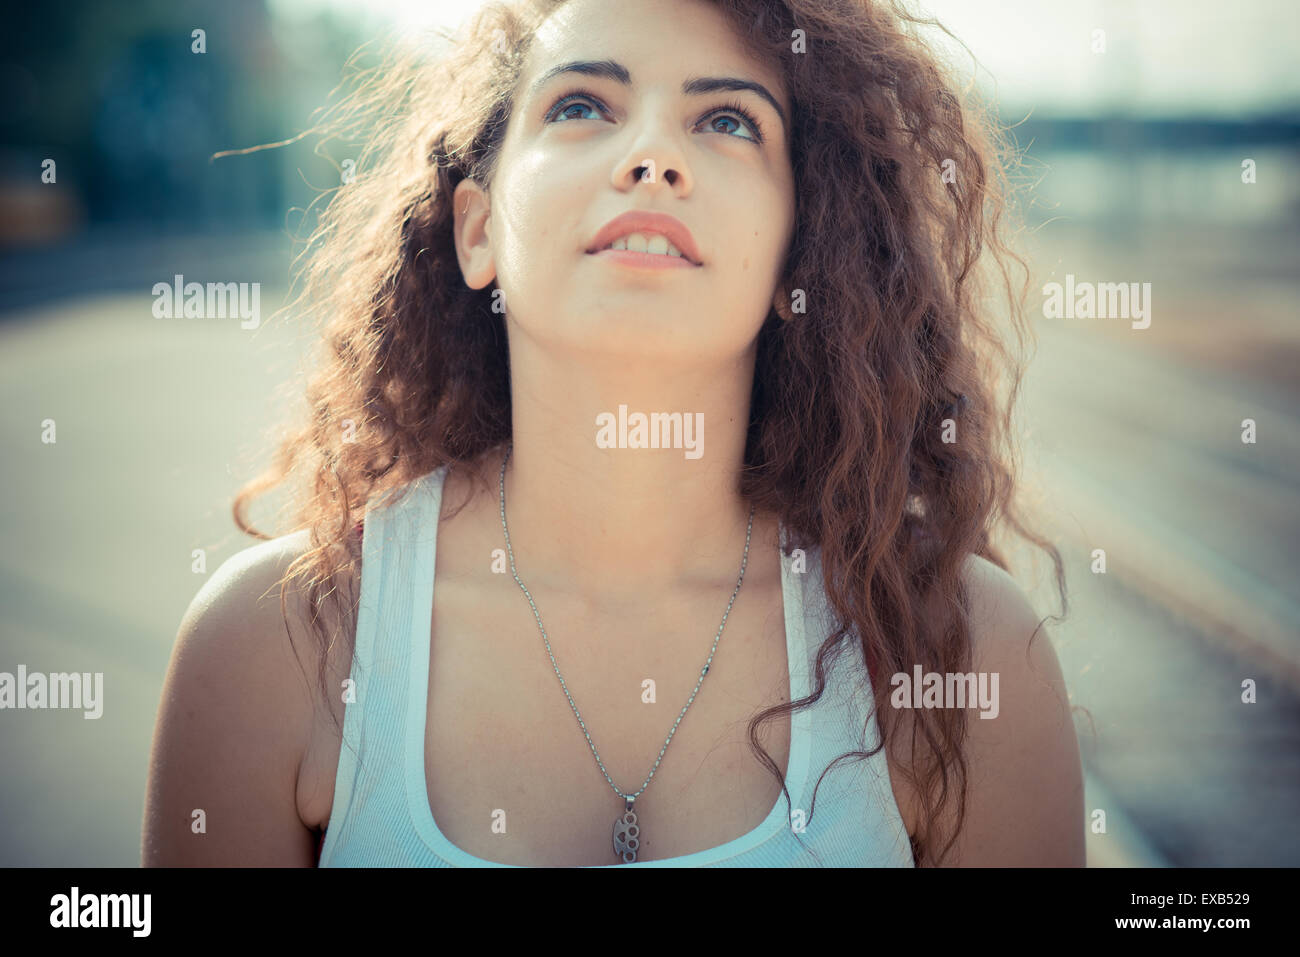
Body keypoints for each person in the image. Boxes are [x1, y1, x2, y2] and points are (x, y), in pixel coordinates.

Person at [143, 0, 1083, 868]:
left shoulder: (959, 655)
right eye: (582, 105)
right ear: (478, 231)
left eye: (726, 122)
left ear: (803, 245)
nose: (652, 157)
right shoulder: (277, 645)